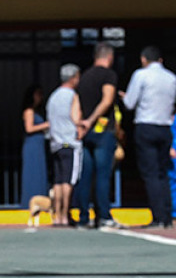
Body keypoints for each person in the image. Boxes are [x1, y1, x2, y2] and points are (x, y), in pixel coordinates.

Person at [121, 46, 176, 229]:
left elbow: (130, 103)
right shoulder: (171, 77)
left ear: (144, 59)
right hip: (164, 127)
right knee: (163, 173)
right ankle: (167, 216)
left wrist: (124, 97)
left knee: (150, 174)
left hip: (146, 125)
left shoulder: (141, 75)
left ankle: (158, 216)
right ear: (160, 60)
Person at [71, 43, 122, 229]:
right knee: (102, 175)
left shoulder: (84, 77)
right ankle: (104, 216)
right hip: (102, 131)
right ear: (109, 57)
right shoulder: (109, 75)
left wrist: (79, 125)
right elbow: (107, 100)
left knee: (85, 175)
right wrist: (91, 120)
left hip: (86, 133)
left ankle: (83, 217)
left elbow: (75, 103)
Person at [46, 65, 83, 226]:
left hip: (56, 142)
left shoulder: (53, 97)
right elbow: (75, 117)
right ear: (73, 77)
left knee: (58, 180)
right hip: (70, 142)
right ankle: (65, 215)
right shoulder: (72, 96)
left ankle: (57, 214)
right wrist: (81, 125)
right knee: (68, 180)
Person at [19, 84, 51, 208]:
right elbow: (29, 128)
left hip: (38, 144)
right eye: (38, 94)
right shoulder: (29, 111)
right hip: (32, 144)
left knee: (40, 173)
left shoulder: (37, 111)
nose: (40, 97)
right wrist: (46, 125)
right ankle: (30, 201)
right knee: (32, 173)